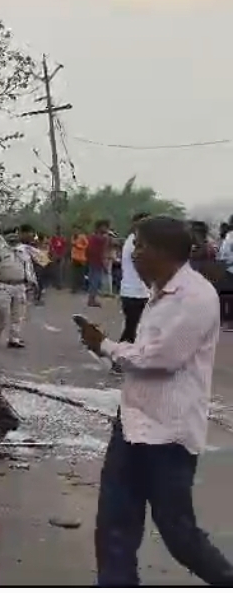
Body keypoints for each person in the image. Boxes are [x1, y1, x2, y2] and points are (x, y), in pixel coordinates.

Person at [77, 216, 233, 586]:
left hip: (168, 434)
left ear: (164, 251)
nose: (132, 254)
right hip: (132, 423)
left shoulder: (195, 297)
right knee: (114, 525)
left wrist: (106, 346)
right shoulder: (160, 291)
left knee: (178, 532)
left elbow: (161, 358)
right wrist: (106, 350)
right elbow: (146, 353)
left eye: (140, 246)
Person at [0, 228, 36, 348]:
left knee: (18, 314)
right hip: (3, 284)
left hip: (20, 285)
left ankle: (14, 338)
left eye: (14, 234)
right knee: (3, 310)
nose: (12, 237)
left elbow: (28, 267)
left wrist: (32, 282)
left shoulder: (23, 251)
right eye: (10, 235)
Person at [118, 213, 150, 347]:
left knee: (134, 329)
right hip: (135, 292)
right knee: (131, 330)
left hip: (136, 291)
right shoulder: (135, 243)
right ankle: (118, 354)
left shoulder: (135, 240)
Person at [86, 220, 112, 307]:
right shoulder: (102, 239)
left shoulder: (93, 237)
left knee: (93, 280)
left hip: (93, 261)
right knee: (95, 281)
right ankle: (92, 299)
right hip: (97, 261)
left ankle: (91, 298)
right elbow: (104, 251)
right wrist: (104, 263)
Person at [70, 229, 89, 293]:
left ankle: (83, 287)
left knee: (82, 273)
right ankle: (74, 288)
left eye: (76, 230)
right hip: (74, 257)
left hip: (81, 258)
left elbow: (87, 244)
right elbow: (73, 244)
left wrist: (80, 246)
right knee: (74, 274)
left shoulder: (82, 237)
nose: (75, 231)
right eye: (74, 230)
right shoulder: (73, 237)